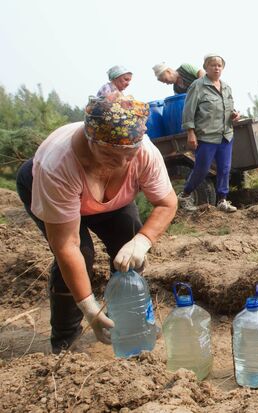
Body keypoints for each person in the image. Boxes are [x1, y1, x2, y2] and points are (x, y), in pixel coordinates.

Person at [15, 93, 177, 353]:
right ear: (91, 140)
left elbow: (167, 203)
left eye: (130, 154)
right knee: (82, 253)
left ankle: (128, 321)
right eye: (112, 155)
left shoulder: (143, 152)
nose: (123, 163)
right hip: (53, 188)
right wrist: (89, 306)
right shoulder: (57, 164)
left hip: (111, 199)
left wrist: (141, 242)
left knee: (128, 239)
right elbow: (67, 244)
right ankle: (66, 338)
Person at [177, 53, 240, 212]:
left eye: (219, 65)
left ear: (223, 68)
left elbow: (230, 108)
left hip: (225, 135)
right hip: (206, 136)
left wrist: (235, 115)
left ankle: (222, 201)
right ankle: (184, 195)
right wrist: (190, 133)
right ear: (206, 67)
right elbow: (188, 111)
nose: (216, 68)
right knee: (202, 169)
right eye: (213, 65)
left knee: (224, 169)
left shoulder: (226, 87)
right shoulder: (197, 86)